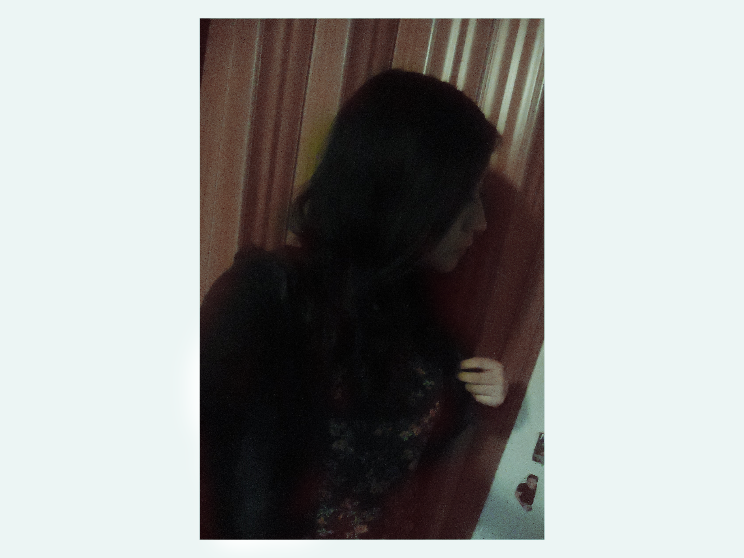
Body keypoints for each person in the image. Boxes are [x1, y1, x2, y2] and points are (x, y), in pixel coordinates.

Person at [200, 69, 508, 539]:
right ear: (409, 190)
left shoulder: (410, 306)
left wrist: (478, 391)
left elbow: (412, 446)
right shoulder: (266, 296)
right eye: (466, 197)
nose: (481, 222)